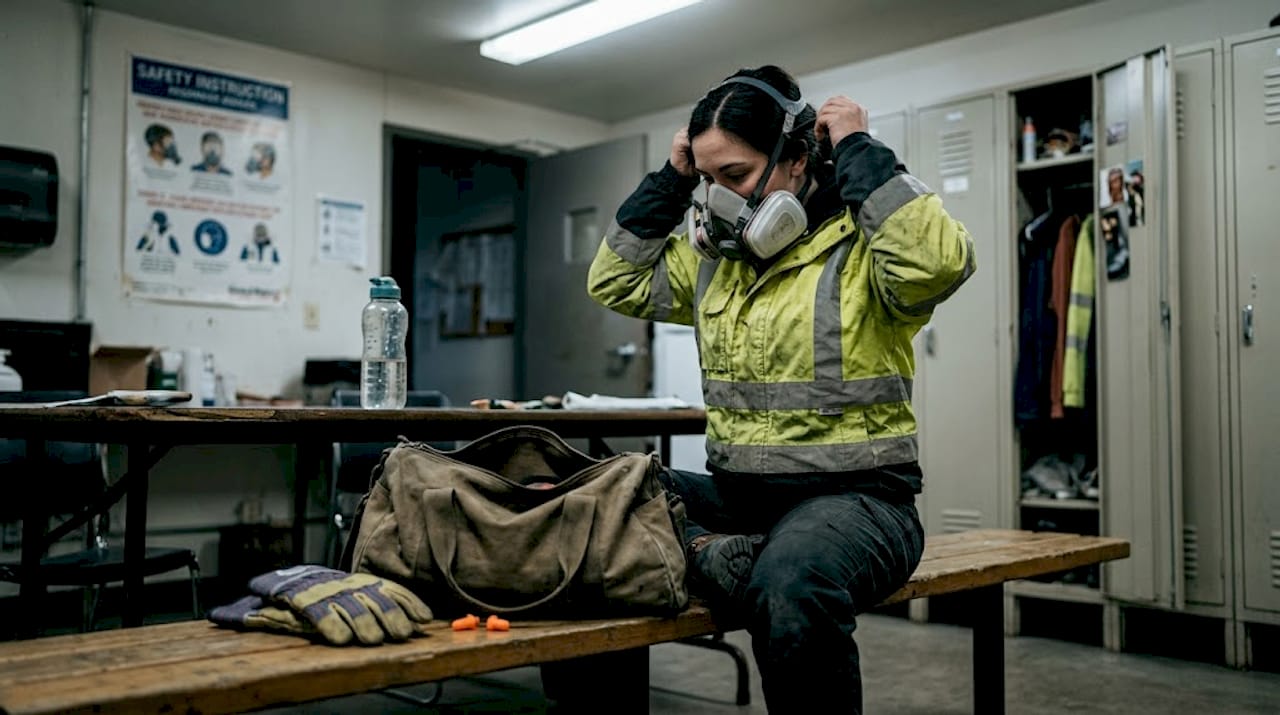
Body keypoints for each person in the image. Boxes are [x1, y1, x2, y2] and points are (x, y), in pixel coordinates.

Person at [587, 65, 975, 713]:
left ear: (797, 159)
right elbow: (615, 281)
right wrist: (672, 180)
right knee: (597, 501)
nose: (719, 200)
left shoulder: (866, 245)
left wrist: (858, 148)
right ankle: (713, 553)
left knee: (790, 580)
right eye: (707, 181)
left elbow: (935, 263)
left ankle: (713, 556)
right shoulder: (716, 260)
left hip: (862, 500)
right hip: (742, 499)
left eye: (733, 176)